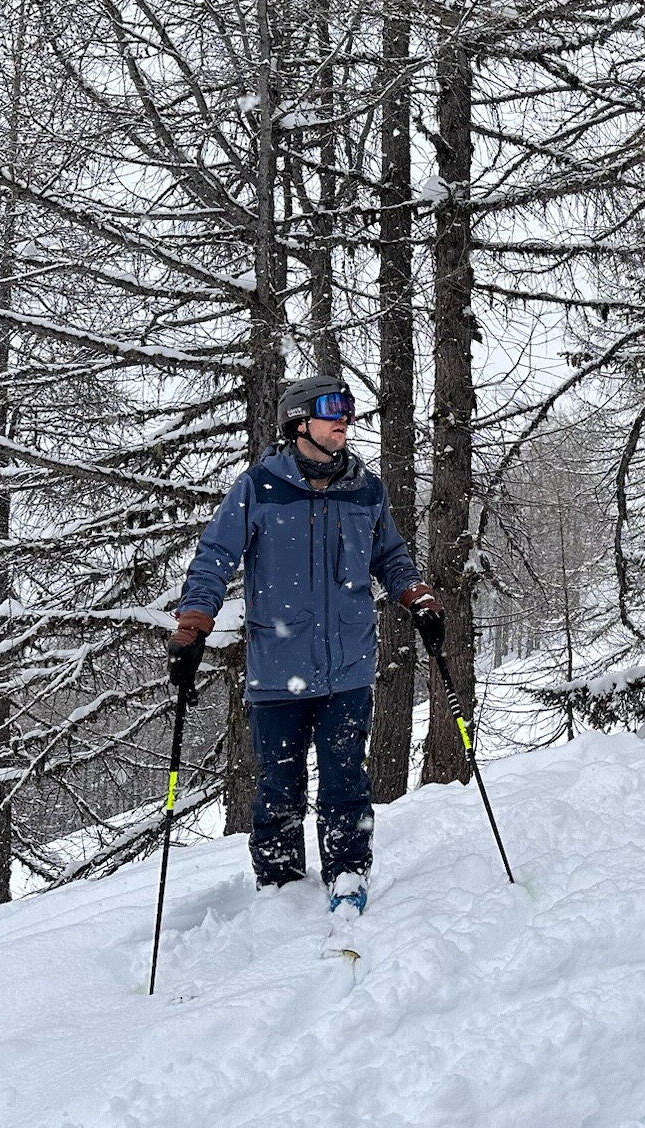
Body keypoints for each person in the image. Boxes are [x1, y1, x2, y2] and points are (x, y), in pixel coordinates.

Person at [166, 375, 443, 915]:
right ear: (298, 423)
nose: (345, 419)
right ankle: (280, 884)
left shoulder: (366, 489)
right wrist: (192, 625)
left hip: (348, 666)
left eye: (348, 410)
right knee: (278, 785)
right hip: (278, 665)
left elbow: (390, 557)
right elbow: (214, 559)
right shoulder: (259, 487)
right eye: (331, 410)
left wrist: (418, 599)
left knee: (345, 777)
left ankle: (347, 874)